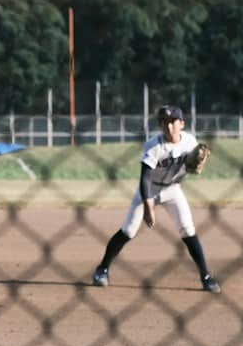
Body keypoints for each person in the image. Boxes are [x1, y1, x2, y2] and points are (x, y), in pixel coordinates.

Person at [90, 105, 221, 293]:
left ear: (182, 124)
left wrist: (194, 166)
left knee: (188, 230)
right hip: (149, 190)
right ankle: (102, 269)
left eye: (173, 122)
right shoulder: (154, 145)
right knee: (128, 231)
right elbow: (145, 178)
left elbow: (190, 167)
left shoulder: (190, 142)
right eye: (164, 122)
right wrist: (148, 206)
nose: (169, 126)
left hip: (172, 190)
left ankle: (206, 277)